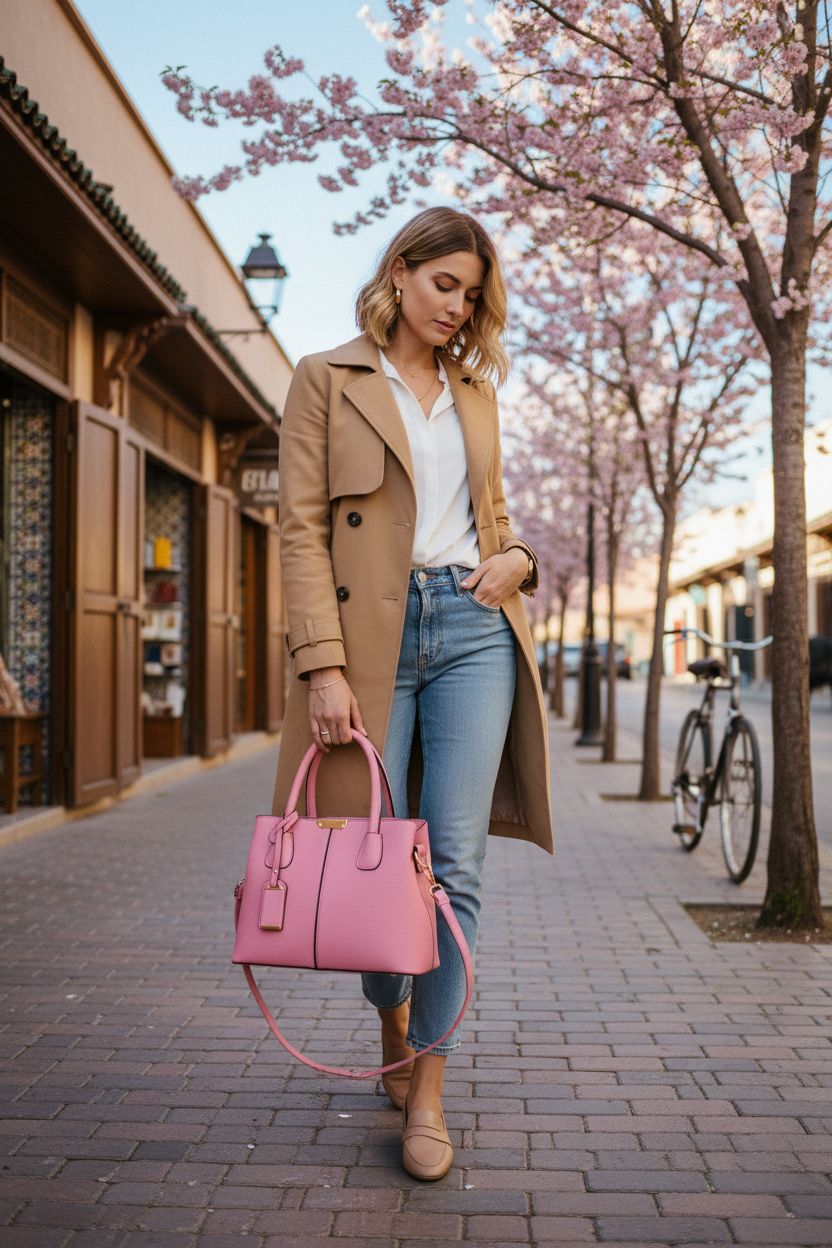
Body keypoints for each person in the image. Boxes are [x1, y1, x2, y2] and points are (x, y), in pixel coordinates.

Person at [273, 206, 554, 1181]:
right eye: (444, 285)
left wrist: (517, 556)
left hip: (474, 629)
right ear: (400, 273)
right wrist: (322, 666)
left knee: (456, 868)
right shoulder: (327, 378)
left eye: (472, 295)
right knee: (370, 864)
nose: (458, 307)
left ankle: (427, 1088)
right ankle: (392, 1015)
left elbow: (494, 515)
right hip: (369, 643)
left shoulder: (476, 394)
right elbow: (302, 531)